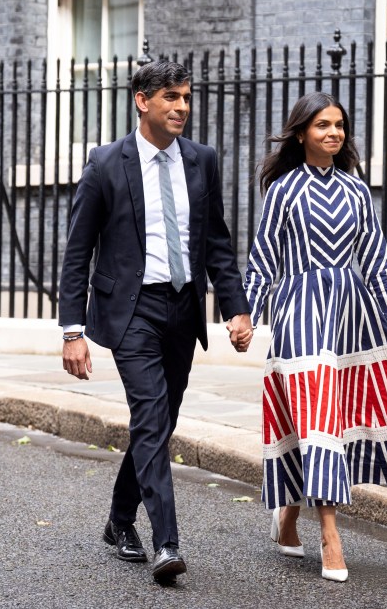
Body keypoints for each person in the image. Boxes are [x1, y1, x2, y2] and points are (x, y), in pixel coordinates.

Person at [59, 60, 253, 583]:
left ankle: (120, 519)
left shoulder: (201, 160)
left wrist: (235, 307)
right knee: (150, 418)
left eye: (186, 97)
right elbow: (78, 253)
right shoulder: (104, 164)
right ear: (142, 101)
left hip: (183, 309)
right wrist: (72, 331)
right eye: (171, 96)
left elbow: (216, 240)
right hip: (131, 312)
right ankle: (166, 543)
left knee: (158, 424)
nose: (182, 107)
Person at [242, 91, 387, 582]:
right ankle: (331, 537)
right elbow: (263, 258)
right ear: (301, 133)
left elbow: (375, 262)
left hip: (351, 315)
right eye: (322, 126)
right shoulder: (284, 189)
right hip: (299, 314)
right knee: (316, 418)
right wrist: (243, 314)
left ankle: (289, 515)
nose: (333, 133)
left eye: (339, 126)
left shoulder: (357, 191)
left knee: (333, 419)